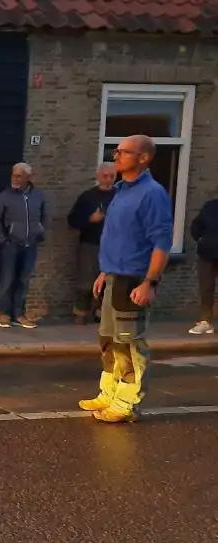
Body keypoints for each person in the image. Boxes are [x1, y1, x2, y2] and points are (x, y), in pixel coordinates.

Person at [79, 135, 173, 423]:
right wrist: (104, 272)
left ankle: (126, 401)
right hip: (113, 276)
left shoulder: (152, 194)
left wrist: (150, 283)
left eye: (124, 152)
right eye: (116, 151)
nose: (116, 156)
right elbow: (118, 236)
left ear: (143, 158)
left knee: (128, 344)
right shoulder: (120, 190)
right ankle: (108, 392)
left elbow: (161, 242)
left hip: (133, 279)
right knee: (107, 340)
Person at [0, 162, 49, 329]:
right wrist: (2, 239)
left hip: (31, 244)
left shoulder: (38, 195)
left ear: (27, 178)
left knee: (24, 280)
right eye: (13, 175)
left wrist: (40, 232)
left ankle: (19, 313)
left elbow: (44, 215)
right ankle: (4, 313)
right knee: (7, 280)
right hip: (11, 244)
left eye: (19, 176)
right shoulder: (4, 196)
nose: (15, 179)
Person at [67, 163, 117, 325]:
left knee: (109, 282)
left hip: (113, 246)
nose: (108, 180)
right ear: (98, 176)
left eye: (112, 177)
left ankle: (101, 314)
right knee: (86, 281)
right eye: (105, 176)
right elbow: (72, 220)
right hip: (90, 244)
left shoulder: (120, 196)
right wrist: (89, 219)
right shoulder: (87, 197)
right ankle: (81, 313)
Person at [188, 197, 218, 334]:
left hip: (207, 249)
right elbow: (196, 226)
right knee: (206, 288)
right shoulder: (210, 206)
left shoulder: (210, 206)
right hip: (207, 253)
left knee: (206, 288)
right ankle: (204, 321)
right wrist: (202, 241)